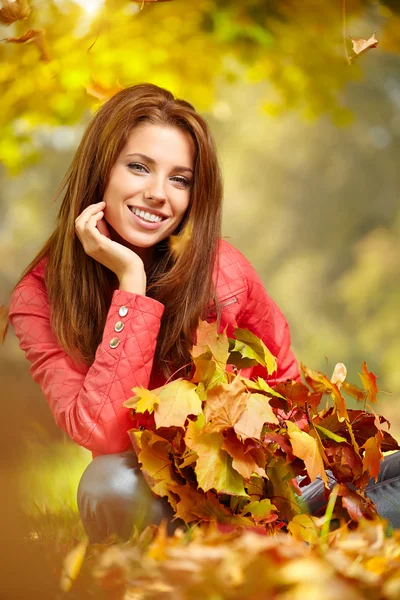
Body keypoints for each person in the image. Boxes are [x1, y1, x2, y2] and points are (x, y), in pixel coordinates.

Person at [8, 84, 400, 544]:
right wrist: (131, 283)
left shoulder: (221, 268)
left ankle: (285, 536)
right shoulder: (40, 295)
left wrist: (283, 481)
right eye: (138, 167)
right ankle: (286, 542)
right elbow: (103, 434)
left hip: (271, 488)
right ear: (100, 172)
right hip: (159, 497)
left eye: (180, 179)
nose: (158, 194)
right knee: (107, 484)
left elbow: (284, 382)